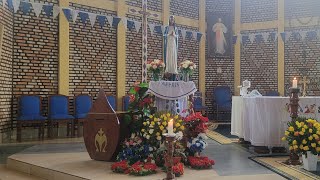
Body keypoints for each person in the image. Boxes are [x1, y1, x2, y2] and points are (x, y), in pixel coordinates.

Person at [163, 15, 179, 81]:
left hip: (173, 43)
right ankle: (168, 69)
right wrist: (169, 35)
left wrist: (174, 35)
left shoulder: (175, 28)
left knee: (173, 55)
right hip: (168, 43)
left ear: (174, 20)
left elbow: (177, 36)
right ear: (169, 20)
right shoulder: (167, 28)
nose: (171, 21)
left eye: (172, 19)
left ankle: (173, 69)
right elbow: (164, 35)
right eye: (170, 19)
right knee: (168, 55)